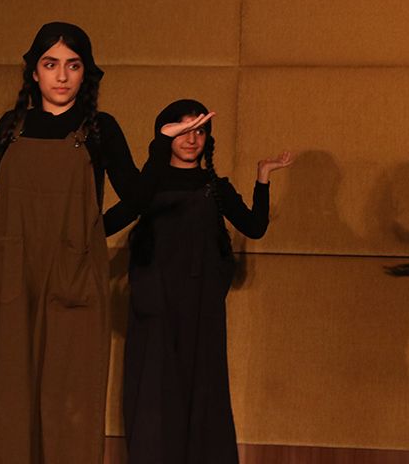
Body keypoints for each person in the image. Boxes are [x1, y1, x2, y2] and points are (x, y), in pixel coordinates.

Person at [0, 22, 206, 464]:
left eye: (73, 65)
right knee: (13, 395)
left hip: (75, 280)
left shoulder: (100, 129)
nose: (62, 76)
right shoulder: (12, 127)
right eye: (51, 64)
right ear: (34, 72)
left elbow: (137, 198)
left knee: (71, 400)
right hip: (15, 281)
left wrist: (159, 150)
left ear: (86, 73)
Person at [106, 99, 292, 464]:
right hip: (155, 305)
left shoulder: (214, 187)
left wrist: (263, 176)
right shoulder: (148, 187)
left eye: (201, 130)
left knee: (203, 387)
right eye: (184, 130)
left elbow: (254, 227)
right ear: (166, 134)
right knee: (155, 388)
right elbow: (107, 223)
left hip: (201, 304)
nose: (192, 139)